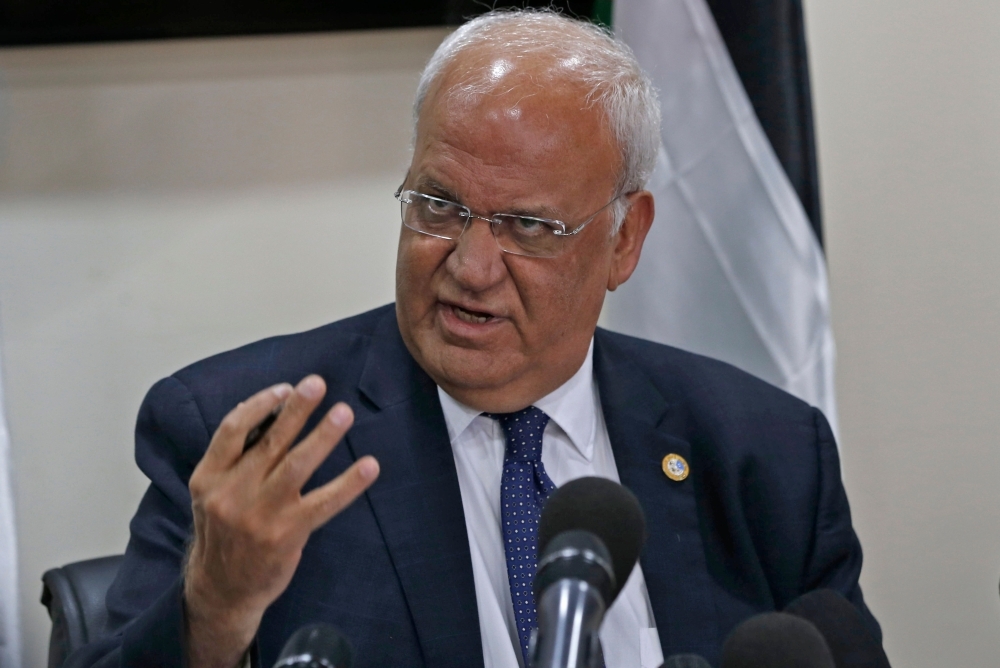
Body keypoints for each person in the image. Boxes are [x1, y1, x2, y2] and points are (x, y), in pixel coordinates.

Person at [79, 9, 880, 668]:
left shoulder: (763, 452)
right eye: (438, 206)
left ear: (625, 240)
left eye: (527, 225)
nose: (470, 264)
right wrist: (214, 609)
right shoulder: (259, 437)